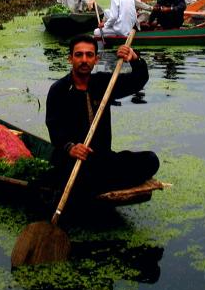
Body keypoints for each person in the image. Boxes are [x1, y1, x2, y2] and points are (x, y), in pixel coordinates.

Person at [45, 34, 159, 195]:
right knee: (75, 175)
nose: (84, 60)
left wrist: (134, 59)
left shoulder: (104, 83)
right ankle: (98, 183)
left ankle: (96, 184)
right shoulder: (59, 90)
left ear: (96, 59)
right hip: (72, 161)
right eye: (79, 55)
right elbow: (54, 128)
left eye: (89, 55)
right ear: (70, 59)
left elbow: (138, 80)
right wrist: (70, 147)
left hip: (102, 159)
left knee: (150, 160)